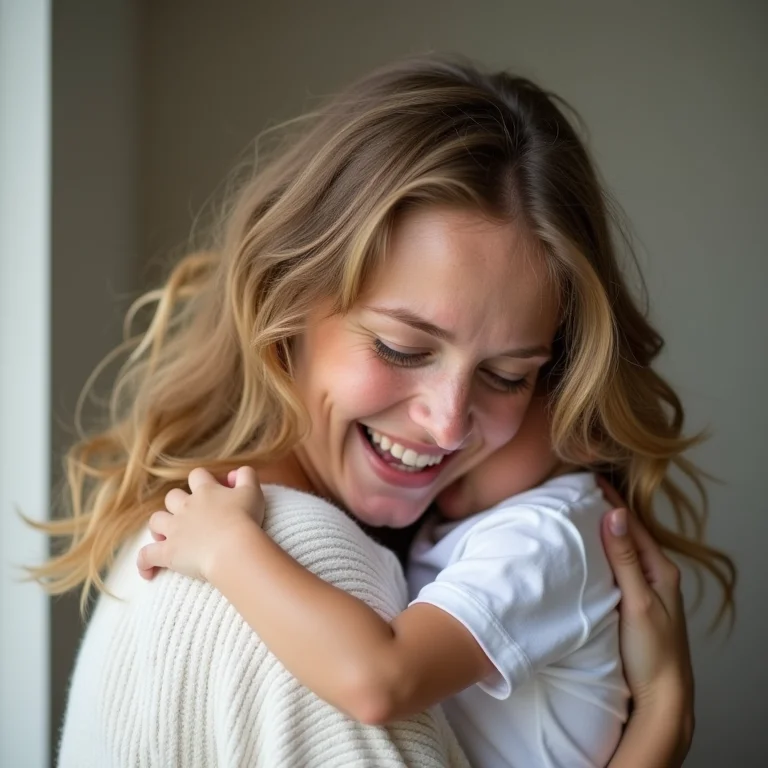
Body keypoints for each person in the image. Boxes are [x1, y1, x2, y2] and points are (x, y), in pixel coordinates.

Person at [30, 56, 732, 766]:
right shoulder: (290, 561)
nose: (448, 422)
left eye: (508, 375)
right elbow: (377, 679)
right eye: (402, 348)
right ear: (287, 300)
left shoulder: (214, 524)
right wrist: (662, 727)